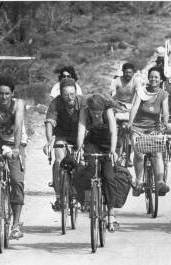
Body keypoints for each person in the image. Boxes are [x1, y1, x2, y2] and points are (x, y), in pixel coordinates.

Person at [0, 76, 28, 239]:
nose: (3, 97)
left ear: (12, 94)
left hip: (15, 142)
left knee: (17, 180)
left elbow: (18, 127)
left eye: (7, 94)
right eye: (0, 93)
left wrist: (17, 149)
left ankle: (16, 225)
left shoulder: (18, 104)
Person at [75, 93, 119, 232]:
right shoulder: (84, 111)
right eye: (94, 113)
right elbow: (81, 131)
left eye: (99, 113)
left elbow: (113, 132)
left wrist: (113, 150)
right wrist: (80, 148)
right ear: (89, 110)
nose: (97, 116)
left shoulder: (108, 111)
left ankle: (111, 214)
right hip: (92, 142)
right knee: (88, 166)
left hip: (108, 143)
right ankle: (88, 198)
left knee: (109, 176)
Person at [128, 66, 171, 196]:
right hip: (137, 128)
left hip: (154, 129)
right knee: (139, 153)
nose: (153, 79)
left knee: (157, 153)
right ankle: (139, 181)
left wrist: (165, 124)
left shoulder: (163, 94)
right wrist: (130, 123)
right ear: (148, 78)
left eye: (156, 77)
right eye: (151, 76)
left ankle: (159, 182)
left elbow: (165, 112)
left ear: (161, 80)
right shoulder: (141, 91)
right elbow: (135, 107)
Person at [43, 78, 84, 211]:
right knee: (59, 162)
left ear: (76, 92)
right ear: (60, 94)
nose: (70, 97)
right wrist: (49, 141)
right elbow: (49, 122)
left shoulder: (82, 102)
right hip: (62, 135)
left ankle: (80, 195)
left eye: (72, 94)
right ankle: (58, 197)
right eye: (66, 95)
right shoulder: (55, 103)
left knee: (81, 163)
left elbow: (87, 123)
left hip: (79, 135)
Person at [110, 63, 143, 167]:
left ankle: (128, 156)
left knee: (131, 132)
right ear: (122, 72)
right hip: (118, 107)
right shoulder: (116, 81)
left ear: (133, 73)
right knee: (114, 130)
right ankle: (113, 151)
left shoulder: (136, 81)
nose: (128, 75)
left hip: (131, 109)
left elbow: (139, 96)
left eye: (130, 72)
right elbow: (112, 96)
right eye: (126, 72)